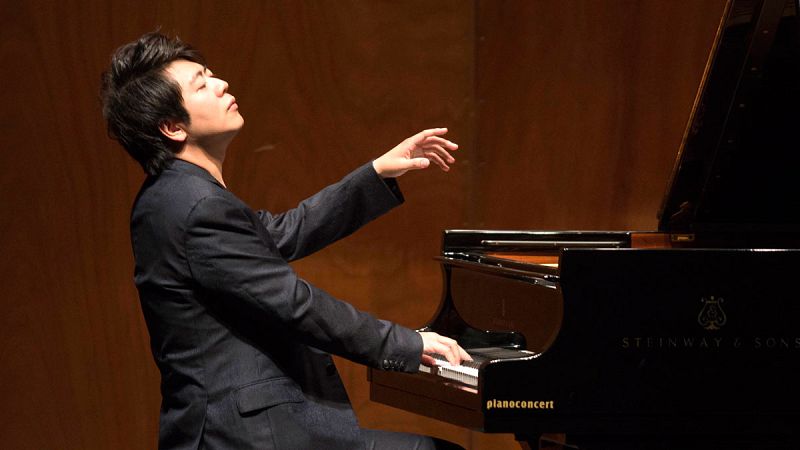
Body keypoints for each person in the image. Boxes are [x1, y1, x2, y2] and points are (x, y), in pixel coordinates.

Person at [101, 32, 470, 450]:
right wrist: (406, 343)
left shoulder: (171, 196)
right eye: (201, 85)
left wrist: (377, 172)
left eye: (211, 74)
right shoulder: (198, 206)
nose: (221, 84)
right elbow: (296, 304)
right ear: (172, 127)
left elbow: (279, 233)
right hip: (252, 435)